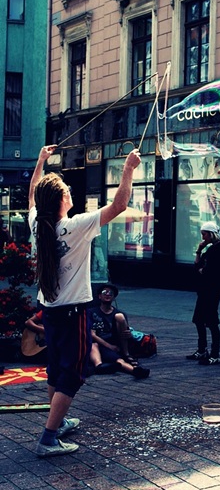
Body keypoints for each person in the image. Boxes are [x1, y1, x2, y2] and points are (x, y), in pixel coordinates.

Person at [28, 144, 142, 457]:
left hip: (50, 312)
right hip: (73, 313)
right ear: (62, 199)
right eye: (67, 191)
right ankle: (49, 437)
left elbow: (31, 195)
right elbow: (119, 205)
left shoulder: (38, 224)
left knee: (56, 369)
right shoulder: (75, 226)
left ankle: (58, 423)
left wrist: (40, 161)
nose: (70, 193)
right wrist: (129, 168)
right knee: (73, 375)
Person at [186, 221, 220, 365]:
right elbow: (197, 266)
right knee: (198, 319)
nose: (202, 237)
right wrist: (199, 250)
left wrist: (202, 270)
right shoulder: (209, 249)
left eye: (204, 234)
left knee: (211, 321)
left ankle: (215, 354)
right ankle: (202, 350)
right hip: (204, 290)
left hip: (212, 290)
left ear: (211, 234)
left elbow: (209, 271)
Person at [87, 283, 150, 379]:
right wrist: (110, 346)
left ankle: (133, 366)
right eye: (105, 292)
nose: (108, 294)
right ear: (99, 296)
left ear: (114, 297)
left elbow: (126, 332)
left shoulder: (119, 313)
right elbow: (92, 334)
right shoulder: (91, 312)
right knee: (95, 345)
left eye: (111, 293)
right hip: (100, 344)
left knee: (119, 317)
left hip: (115, 342)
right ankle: (100, 365)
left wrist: (128, 335)